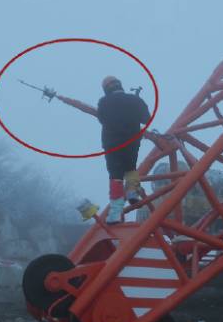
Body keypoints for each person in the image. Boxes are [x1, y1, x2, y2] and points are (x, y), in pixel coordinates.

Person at [54, 76, 151, 224]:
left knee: (116, 176)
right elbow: (146, 118)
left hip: (112, 143)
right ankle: (132, 193)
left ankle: (116, 213)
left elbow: (102, 118)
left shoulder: (104, 102)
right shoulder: (134, 100)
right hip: (132, 141)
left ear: (106, 89)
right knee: (131, 167)